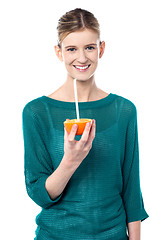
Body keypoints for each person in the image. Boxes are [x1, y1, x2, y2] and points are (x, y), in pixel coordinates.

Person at [22, 8, 149, 240]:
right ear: (59, 53)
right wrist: (71, 160)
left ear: (101, 49)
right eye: (71, 49)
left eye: (89, 47)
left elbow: (132, 188)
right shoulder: (36, 112)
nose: (82, 58)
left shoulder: (124, 110)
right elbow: (40, 194)